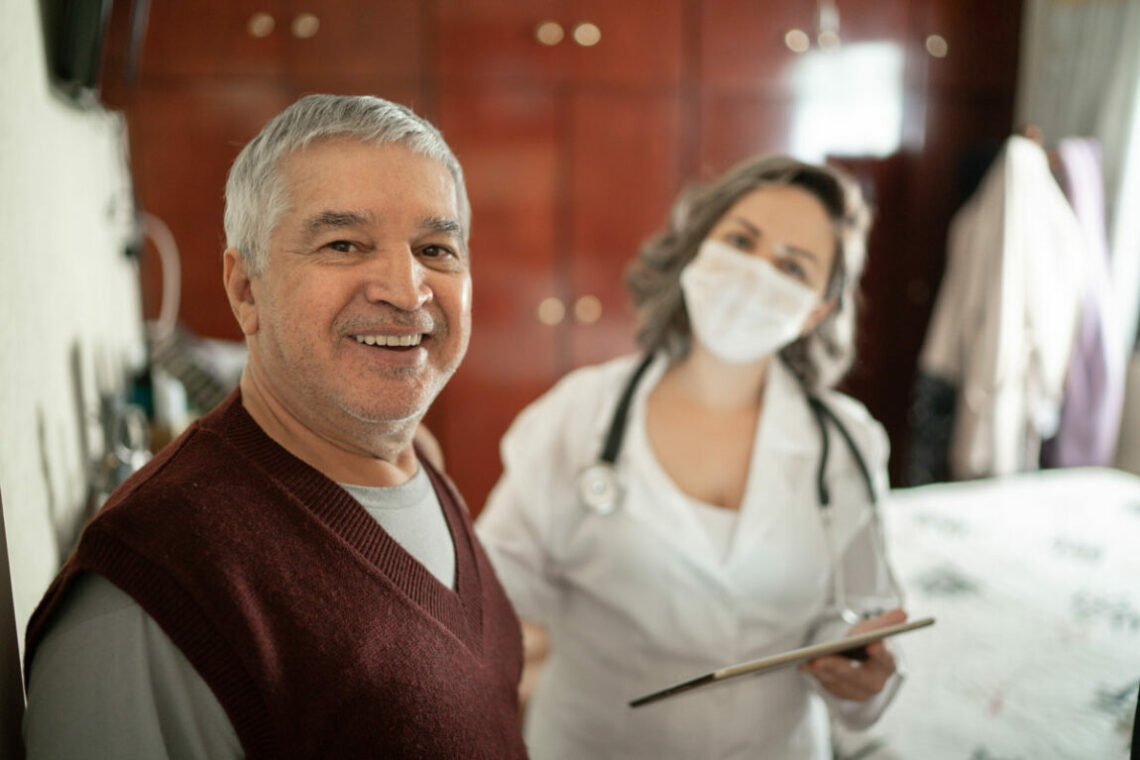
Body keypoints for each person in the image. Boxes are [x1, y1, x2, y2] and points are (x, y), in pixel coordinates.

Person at [22, 94, 528, 759]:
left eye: (435, 248)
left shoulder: (424, 475)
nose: (407, 291)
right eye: (344, 243)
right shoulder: (153, 595)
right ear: (246, 289)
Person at [476, 155, 907, 758]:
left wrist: (862, 676)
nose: (757, 273)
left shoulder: (849, 444)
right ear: (699, 250)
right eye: (740, 241)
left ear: (817, 311)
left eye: (791, 266)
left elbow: (866, 619)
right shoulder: (578, 416)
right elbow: (484, 598)